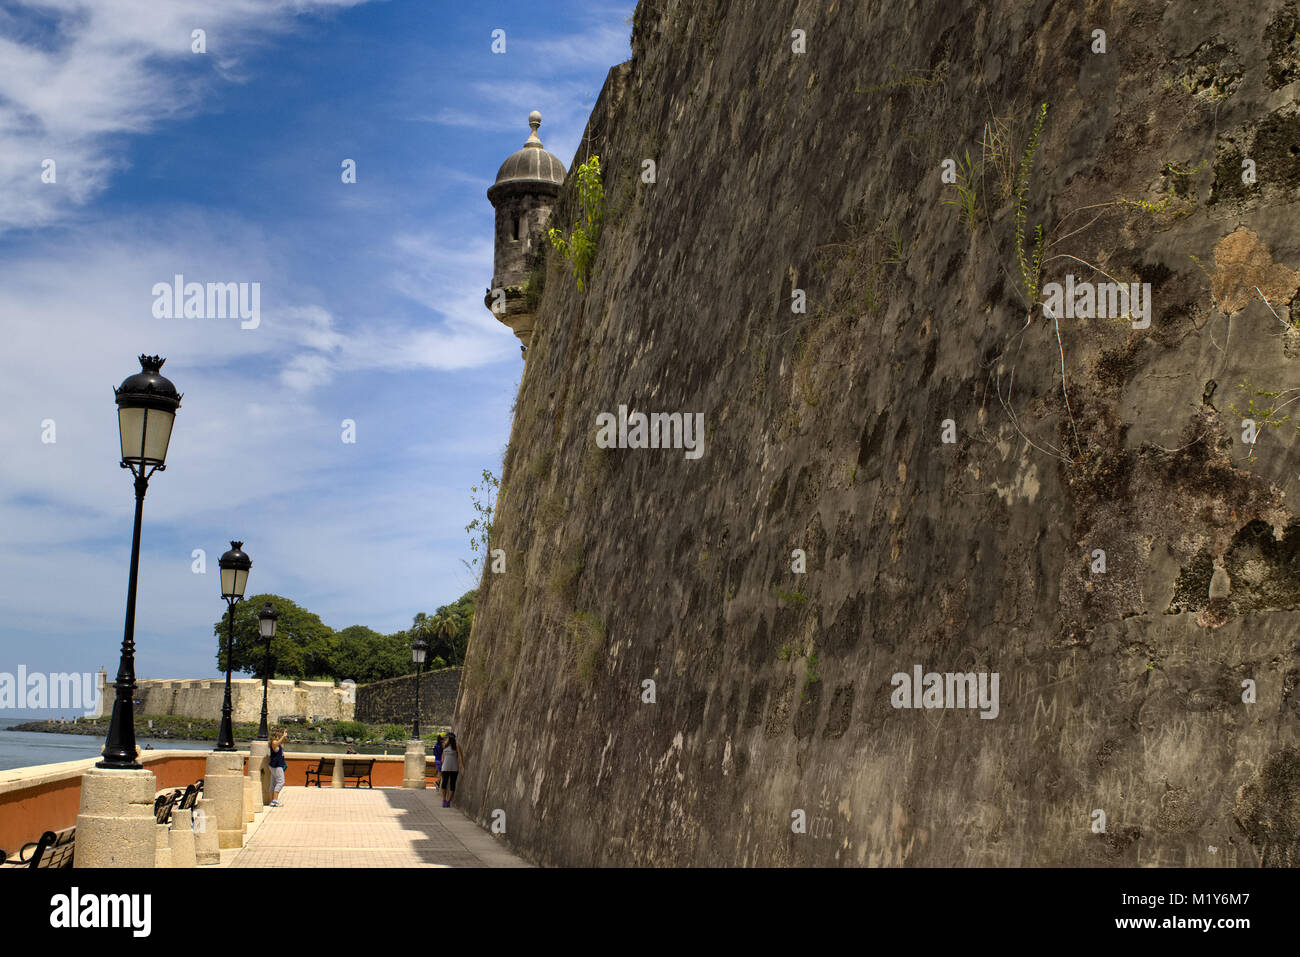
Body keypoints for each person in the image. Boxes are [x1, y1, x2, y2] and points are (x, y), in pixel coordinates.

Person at [440, 732, 465, 807]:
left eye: (446, 738)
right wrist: (442, 765)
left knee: (452, 784)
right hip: (445, 768)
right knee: (444, 784)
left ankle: (448, 801)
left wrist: (462, 767)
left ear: (450, 739)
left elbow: (460, 757)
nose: (445, 739)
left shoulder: (457, 746)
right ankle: (444, 799)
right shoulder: (444, 746)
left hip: (454, 768)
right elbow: (443, 756)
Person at [268, 729, 287, 807]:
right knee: (281, 782)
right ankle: (275, 800)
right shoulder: (273, 742)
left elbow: (282, 744)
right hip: (276, 765)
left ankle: (271, 800)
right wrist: (282, 737)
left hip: (277, 765)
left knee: (273, 783)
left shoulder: (278, 744)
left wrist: (284, 738)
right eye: (278, 734)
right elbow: (277, 743)